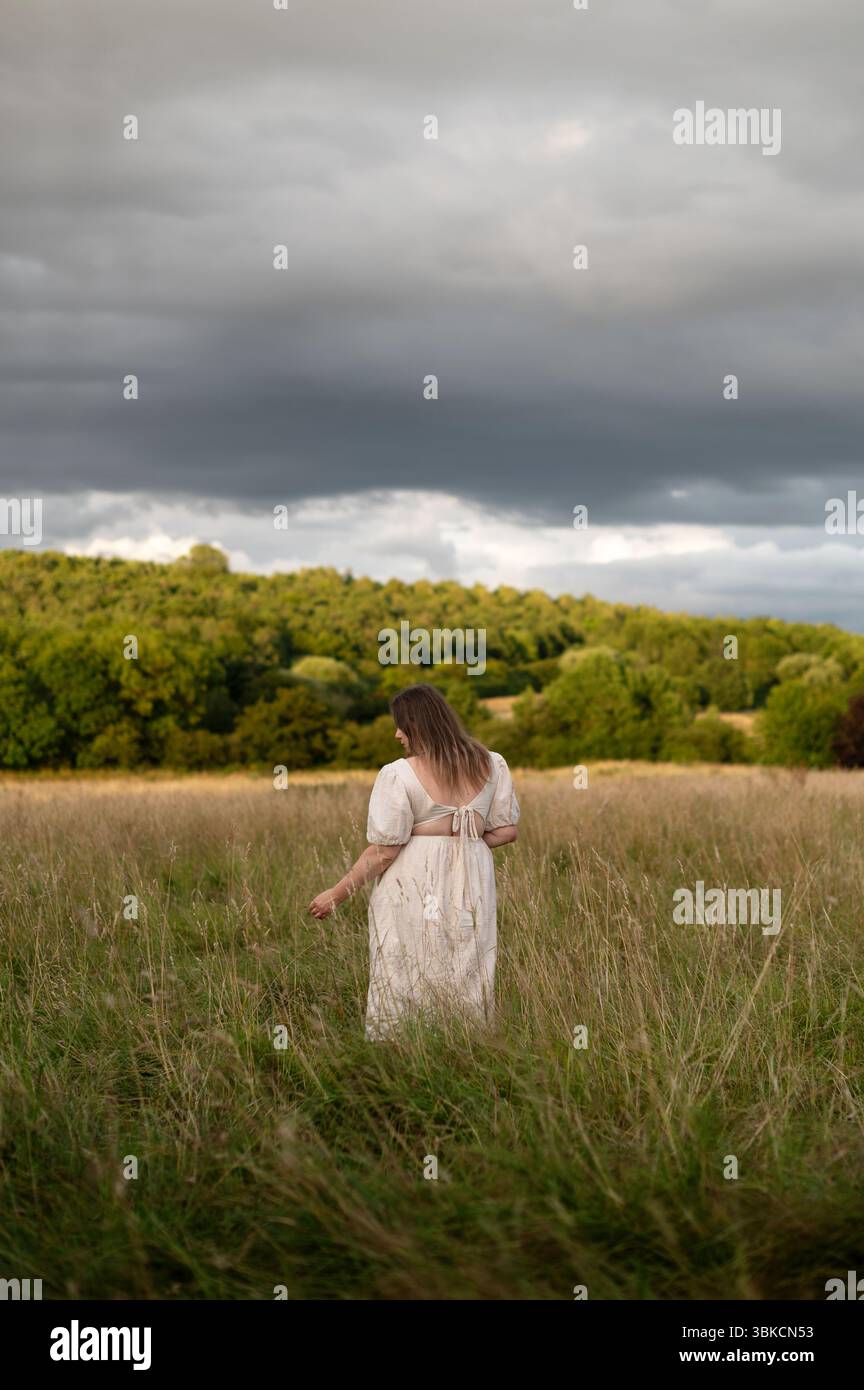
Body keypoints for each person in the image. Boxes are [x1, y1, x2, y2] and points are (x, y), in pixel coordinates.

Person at [309, 683, 520, 1039]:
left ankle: (405, 1051)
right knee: (466, 965)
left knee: (404, 964)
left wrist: (338, 892)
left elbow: (384, 851)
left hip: (413, 881)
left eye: (401, 725)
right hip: (474, 878)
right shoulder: (492, 763)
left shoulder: (398, 774)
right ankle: (464, 1046)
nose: (397, 734)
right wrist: (463, 842)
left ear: (418, 726)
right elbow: (507, 831)